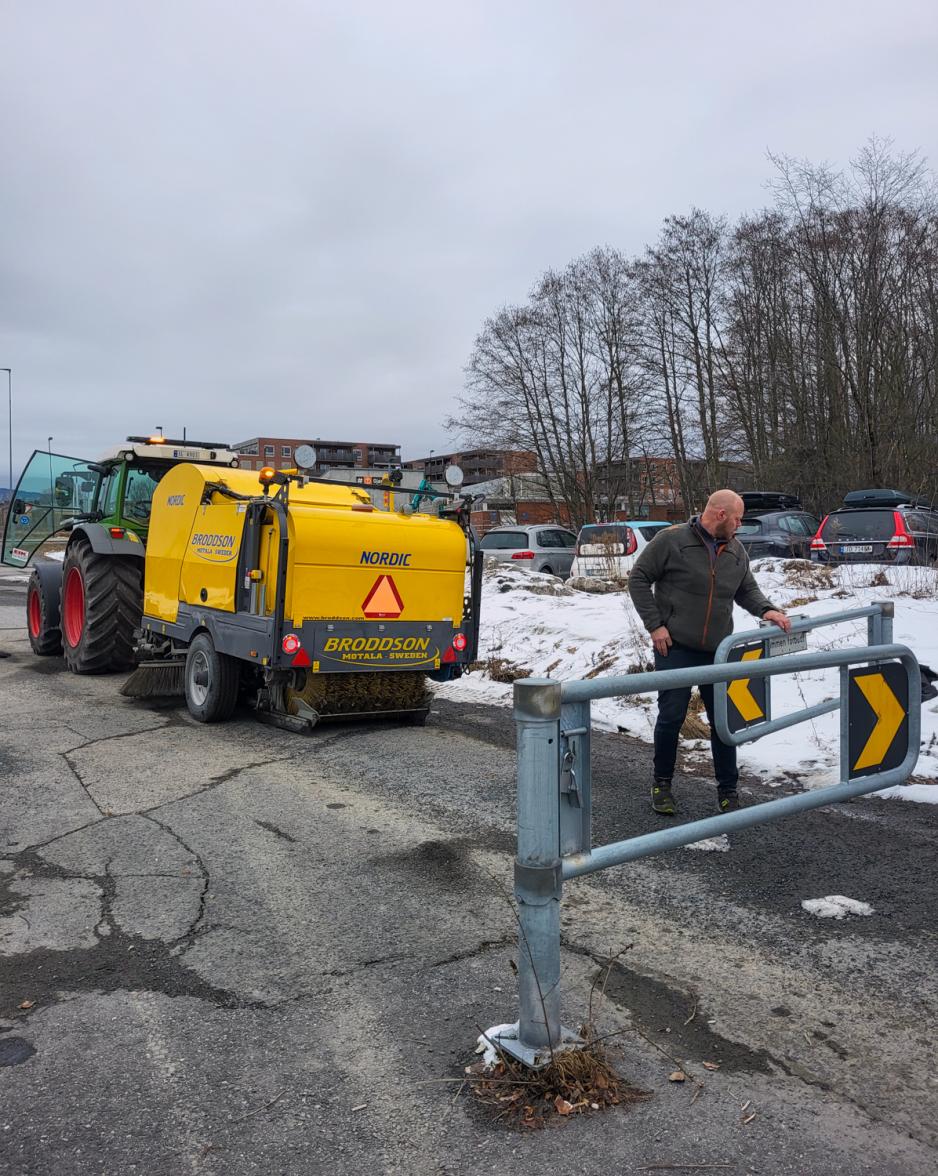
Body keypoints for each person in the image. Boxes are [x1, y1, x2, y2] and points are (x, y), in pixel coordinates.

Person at [628, 489, 791, 815]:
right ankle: (662, 784)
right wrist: (655, 625)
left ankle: (728, 791)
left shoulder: (736, 550)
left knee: (723, 722)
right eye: (737, 519)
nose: (739, 525)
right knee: (672, 717)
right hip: (674, 647)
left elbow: (747, 589)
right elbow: (638, 578)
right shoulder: (671, 541)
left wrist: (767, 610)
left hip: (718, 651)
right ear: (720, 515)